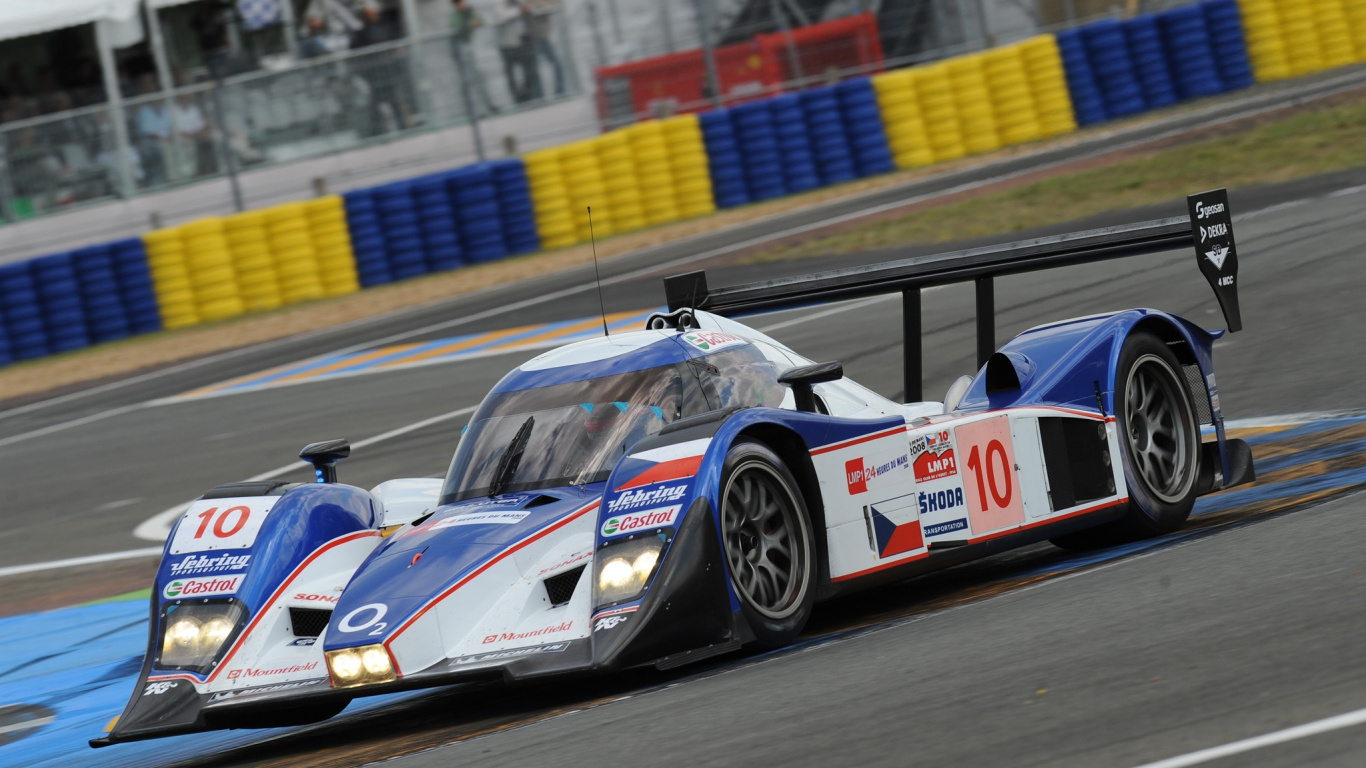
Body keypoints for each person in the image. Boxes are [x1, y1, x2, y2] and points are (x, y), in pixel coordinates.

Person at [450, 0, 499, 115]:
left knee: (478, 79)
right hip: (460, 52)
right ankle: (475, 110)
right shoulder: (455, 16)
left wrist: (474, 21)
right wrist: (468, 23)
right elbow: (457, 27)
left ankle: (487, 105)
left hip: (469, 49)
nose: (463, 5)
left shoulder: (469, 13)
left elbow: (480, 20)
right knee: (468, 82)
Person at [493, 0, 534, 103]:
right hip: (507, 44)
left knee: (528, 71)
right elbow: (501, 15)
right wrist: (519, 11)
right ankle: (518, 99)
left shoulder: (517, 2)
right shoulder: (499, 2)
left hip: (522, 42)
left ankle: (527, 96)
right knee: (511, 75)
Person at [527, 0, 564, 97]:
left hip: (545, 38)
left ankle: (560, 92)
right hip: (534, 39)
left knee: (557, 65)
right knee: (534, 70)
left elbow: (555, 4)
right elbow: (532, 9)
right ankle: (538, 95)